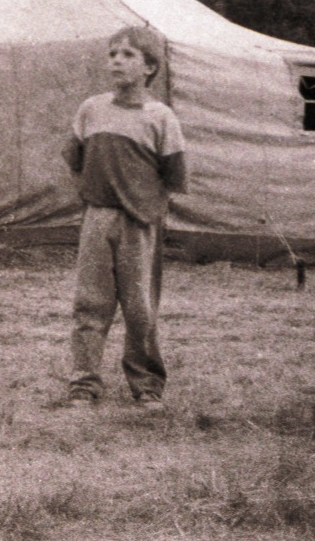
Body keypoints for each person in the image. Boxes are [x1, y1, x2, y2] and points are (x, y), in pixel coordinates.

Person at [64, 25, 188, 410]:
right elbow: (75, 159)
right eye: (112, 53)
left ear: (150, 67)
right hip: (97, 218)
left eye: (128, 54)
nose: (117, 59)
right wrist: (96, 197)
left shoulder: (160, 117)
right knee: (90, 303)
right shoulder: (91, 109)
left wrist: (146, 209)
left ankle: (147, 384)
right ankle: (84, 384)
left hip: (139, 224)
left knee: (139, 307)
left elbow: (174, 178)